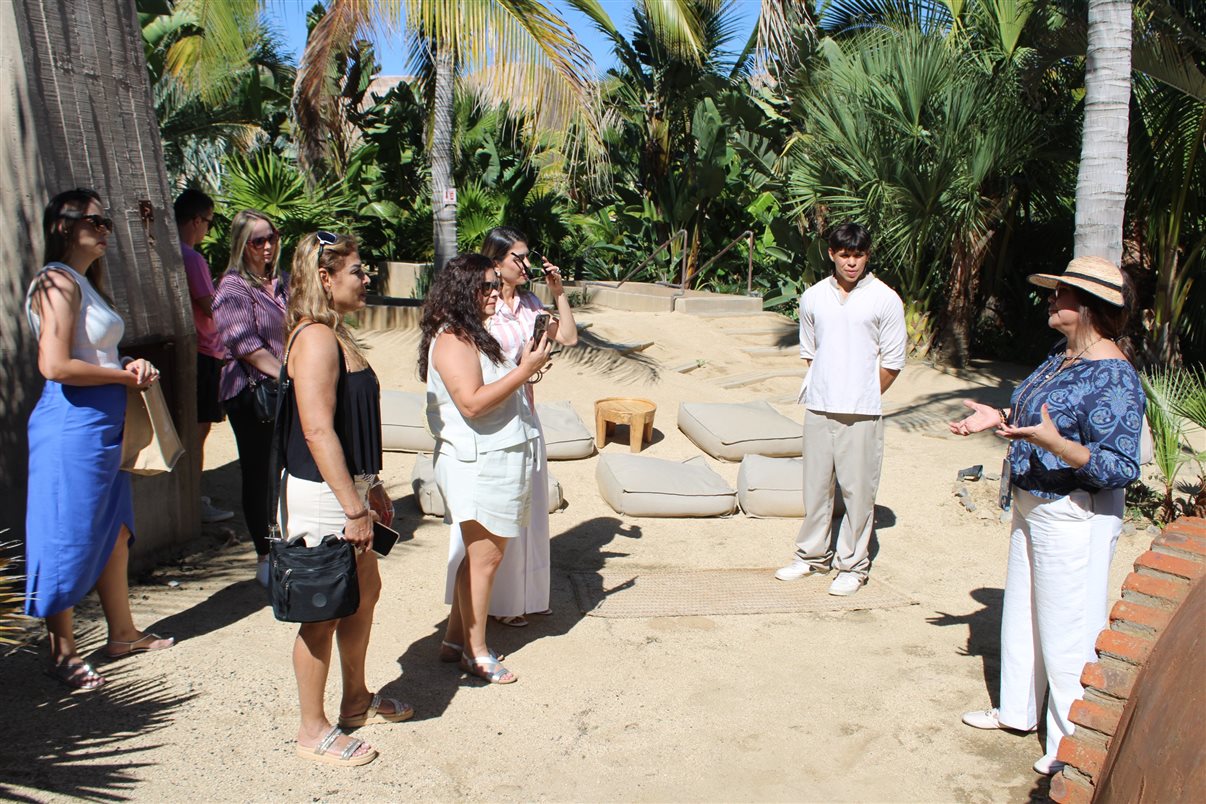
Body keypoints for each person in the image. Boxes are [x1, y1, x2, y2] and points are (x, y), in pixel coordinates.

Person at [951, 256, 1144, 776]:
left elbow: (1121, 464)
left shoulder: (1115, 375)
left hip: (1074, 512)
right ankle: (1016, 711)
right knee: (1025, 613)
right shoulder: (1061, 356)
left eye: (1060, 294)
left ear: (1086, 307)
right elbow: (1037, 419)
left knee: (1068, 628)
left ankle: (1070, 741)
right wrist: (1002, 418)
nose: (1051, 300)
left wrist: (1060, 445)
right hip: (1033, 501)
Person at [24, 188, 174, 691]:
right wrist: (123, 377)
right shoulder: (57, 281)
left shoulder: (83, 284)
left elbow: (93, 354)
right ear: (64, 226)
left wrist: (124, 363)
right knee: (65, 532)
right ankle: (61, 651)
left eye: (107, 221)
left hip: (100, 425)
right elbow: (55, 365)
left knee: (116, 529)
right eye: (96, 220)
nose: (106, 228)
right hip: (72, 425)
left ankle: (123, 633)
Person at [279, 231, 411, 767]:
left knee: (364, 592)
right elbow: (316, 430)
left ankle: (355, 700)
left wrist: (370, 485)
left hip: (347, 487)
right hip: (320, 494)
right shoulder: (313, 338)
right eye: (358, 270)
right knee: (323, 612)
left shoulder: (339, 334)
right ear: (325, 279)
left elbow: (349, 425)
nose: (367, 278)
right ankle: (312, 729)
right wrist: (352, 507)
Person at [419, 253, 550, 684]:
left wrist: (523, 367)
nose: (497, 293)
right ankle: (475, 653)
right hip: (479, 462)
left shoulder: (474, 334)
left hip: (493, 457)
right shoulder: (454, 339)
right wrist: (525, 370)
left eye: (498, 284)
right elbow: (473, 403)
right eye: (487, 286)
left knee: (476, 555)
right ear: (463, 292)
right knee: (485, 559)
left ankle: (455, 639)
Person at [443, 227, 578, 628]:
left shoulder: (530, 303)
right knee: (492, 515)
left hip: (525, 414)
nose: (526, 264)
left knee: (527, 508)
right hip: (490, 419)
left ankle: (521, 598)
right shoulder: (478, 311)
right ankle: (482, 612)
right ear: (496, 262)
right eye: (518, 257)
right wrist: (524, 369)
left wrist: (559, 293)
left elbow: (568, 336)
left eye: (528, 256)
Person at [775, 222, 906, 595]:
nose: (852, 262)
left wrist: (861, 392)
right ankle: (811, 556)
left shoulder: (884, 298)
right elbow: (810, 353)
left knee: (858, 491)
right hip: (818, 406)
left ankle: (852, 565)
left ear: (868, 255)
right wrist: (828, 389)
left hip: (862, 412)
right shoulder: (813, 297)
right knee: (815, 487)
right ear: (831, 254)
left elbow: (893, 361)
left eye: (859, 255)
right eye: (845, 255)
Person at [212, 209, 287, 587]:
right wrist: (289, 376)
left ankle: (285, 543)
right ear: (243, 245)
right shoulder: (232, 289)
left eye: (271, 236)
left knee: (284, 469)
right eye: (258, 240)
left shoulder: (282, 283)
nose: (268, 245)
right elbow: (245, 345)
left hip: (284, 389)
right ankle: (263, 552)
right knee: (259, 473)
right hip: (251, 391)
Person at [173, 188, 233, 524]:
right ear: (196, 219)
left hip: (194, 349)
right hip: (204, 350)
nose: (207, 229)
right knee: (199, 430)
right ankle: (194, 500)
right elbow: (210, 306)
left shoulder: (172, 253)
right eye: (208, 222)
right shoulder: (192, 258)